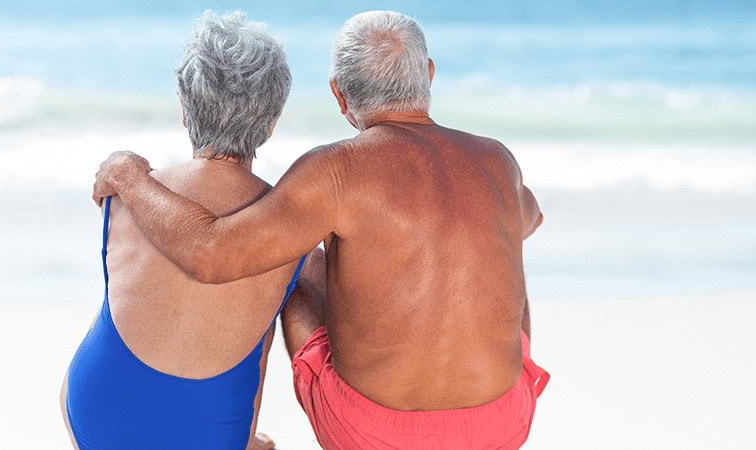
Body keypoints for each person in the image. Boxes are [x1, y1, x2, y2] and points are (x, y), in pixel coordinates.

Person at [93, 10, 550, 449]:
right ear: (428, 74)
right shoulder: (497, 159)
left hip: (373, 434)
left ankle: (246, 428)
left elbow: (213, 256)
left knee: (295, 259)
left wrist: (128, 174)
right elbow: (530, 216)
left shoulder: (338, 169)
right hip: (503, 421)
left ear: (339, 94)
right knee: (494, 244)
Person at [61, 11, 314, 449]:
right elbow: (258, 356)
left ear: (184, 109)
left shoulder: (126, 192)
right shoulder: (286, 223)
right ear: (271, 124)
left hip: (93, 413)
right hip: (203, 429)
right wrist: (244, 438)